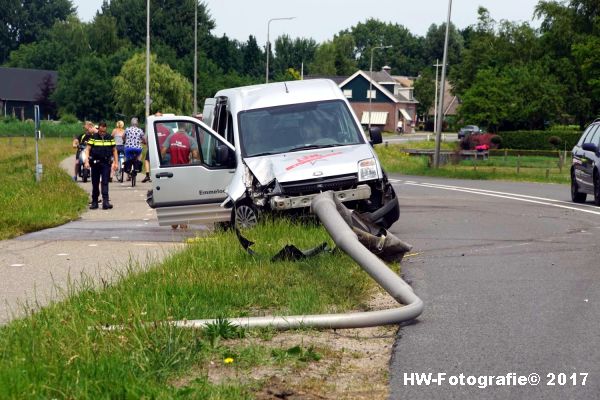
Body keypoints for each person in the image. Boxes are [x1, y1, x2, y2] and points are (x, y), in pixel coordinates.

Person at [161, 123, 200, 229]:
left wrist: (161, 163)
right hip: (185, 171)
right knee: (184, 197)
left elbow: (163, 151)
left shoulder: (171, 137)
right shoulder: (190, 139)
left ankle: (174, 221)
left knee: (174, 196)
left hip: (172, 171)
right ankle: (183, 222)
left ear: (178, 127)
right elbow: (196, 155)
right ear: (186, 127)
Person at [83, 122, 118, 210]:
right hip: (95, 163)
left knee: (105, 182)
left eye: (104, 131)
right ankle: (95, 202)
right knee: (95, 182)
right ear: (98, 129)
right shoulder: (93, 137)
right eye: (101, 131)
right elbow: (87, 149)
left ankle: (105, 202)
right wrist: (86, 161)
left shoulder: (110, 138)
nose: (102, 133)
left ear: (106, 129)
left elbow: (114, 150)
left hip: (106, 163)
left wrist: (116, 163)